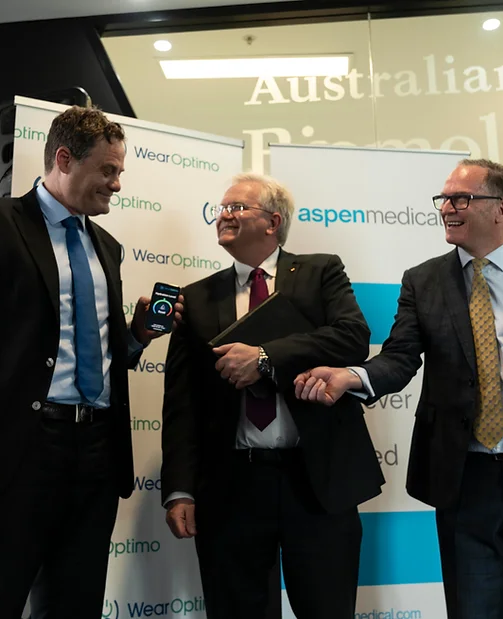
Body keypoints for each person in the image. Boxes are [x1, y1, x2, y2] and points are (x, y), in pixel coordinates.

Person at [294, 159, 503, 619]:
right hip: (465, 477)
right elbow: (400, 357)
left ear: (501, 208)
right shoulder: (424, 280)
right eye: (445, 199)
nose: (447, 208)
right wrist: (353, 376)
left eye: (461, 198)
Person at [0, 106, 183, 619]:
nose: (117, 185)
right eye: (108, 170)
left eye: (120, 172)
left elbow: (92, 355)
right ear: (63, 158)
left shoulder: (108, 247)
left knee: (73, 607)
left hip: (95, 457)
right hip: (7, 456)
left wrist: (137, 336)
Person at [160, 173, 384, 619]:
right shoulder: (196, 298)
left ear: (273, 221)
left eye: (238, 208)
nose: (224, 215)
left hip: (316, 481)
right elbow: (182, 403)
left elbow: (353, 337)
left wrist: (265, 356)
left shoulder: (320, 271)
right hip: (232, 487)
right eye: (222, 208)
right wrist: (180, 489)